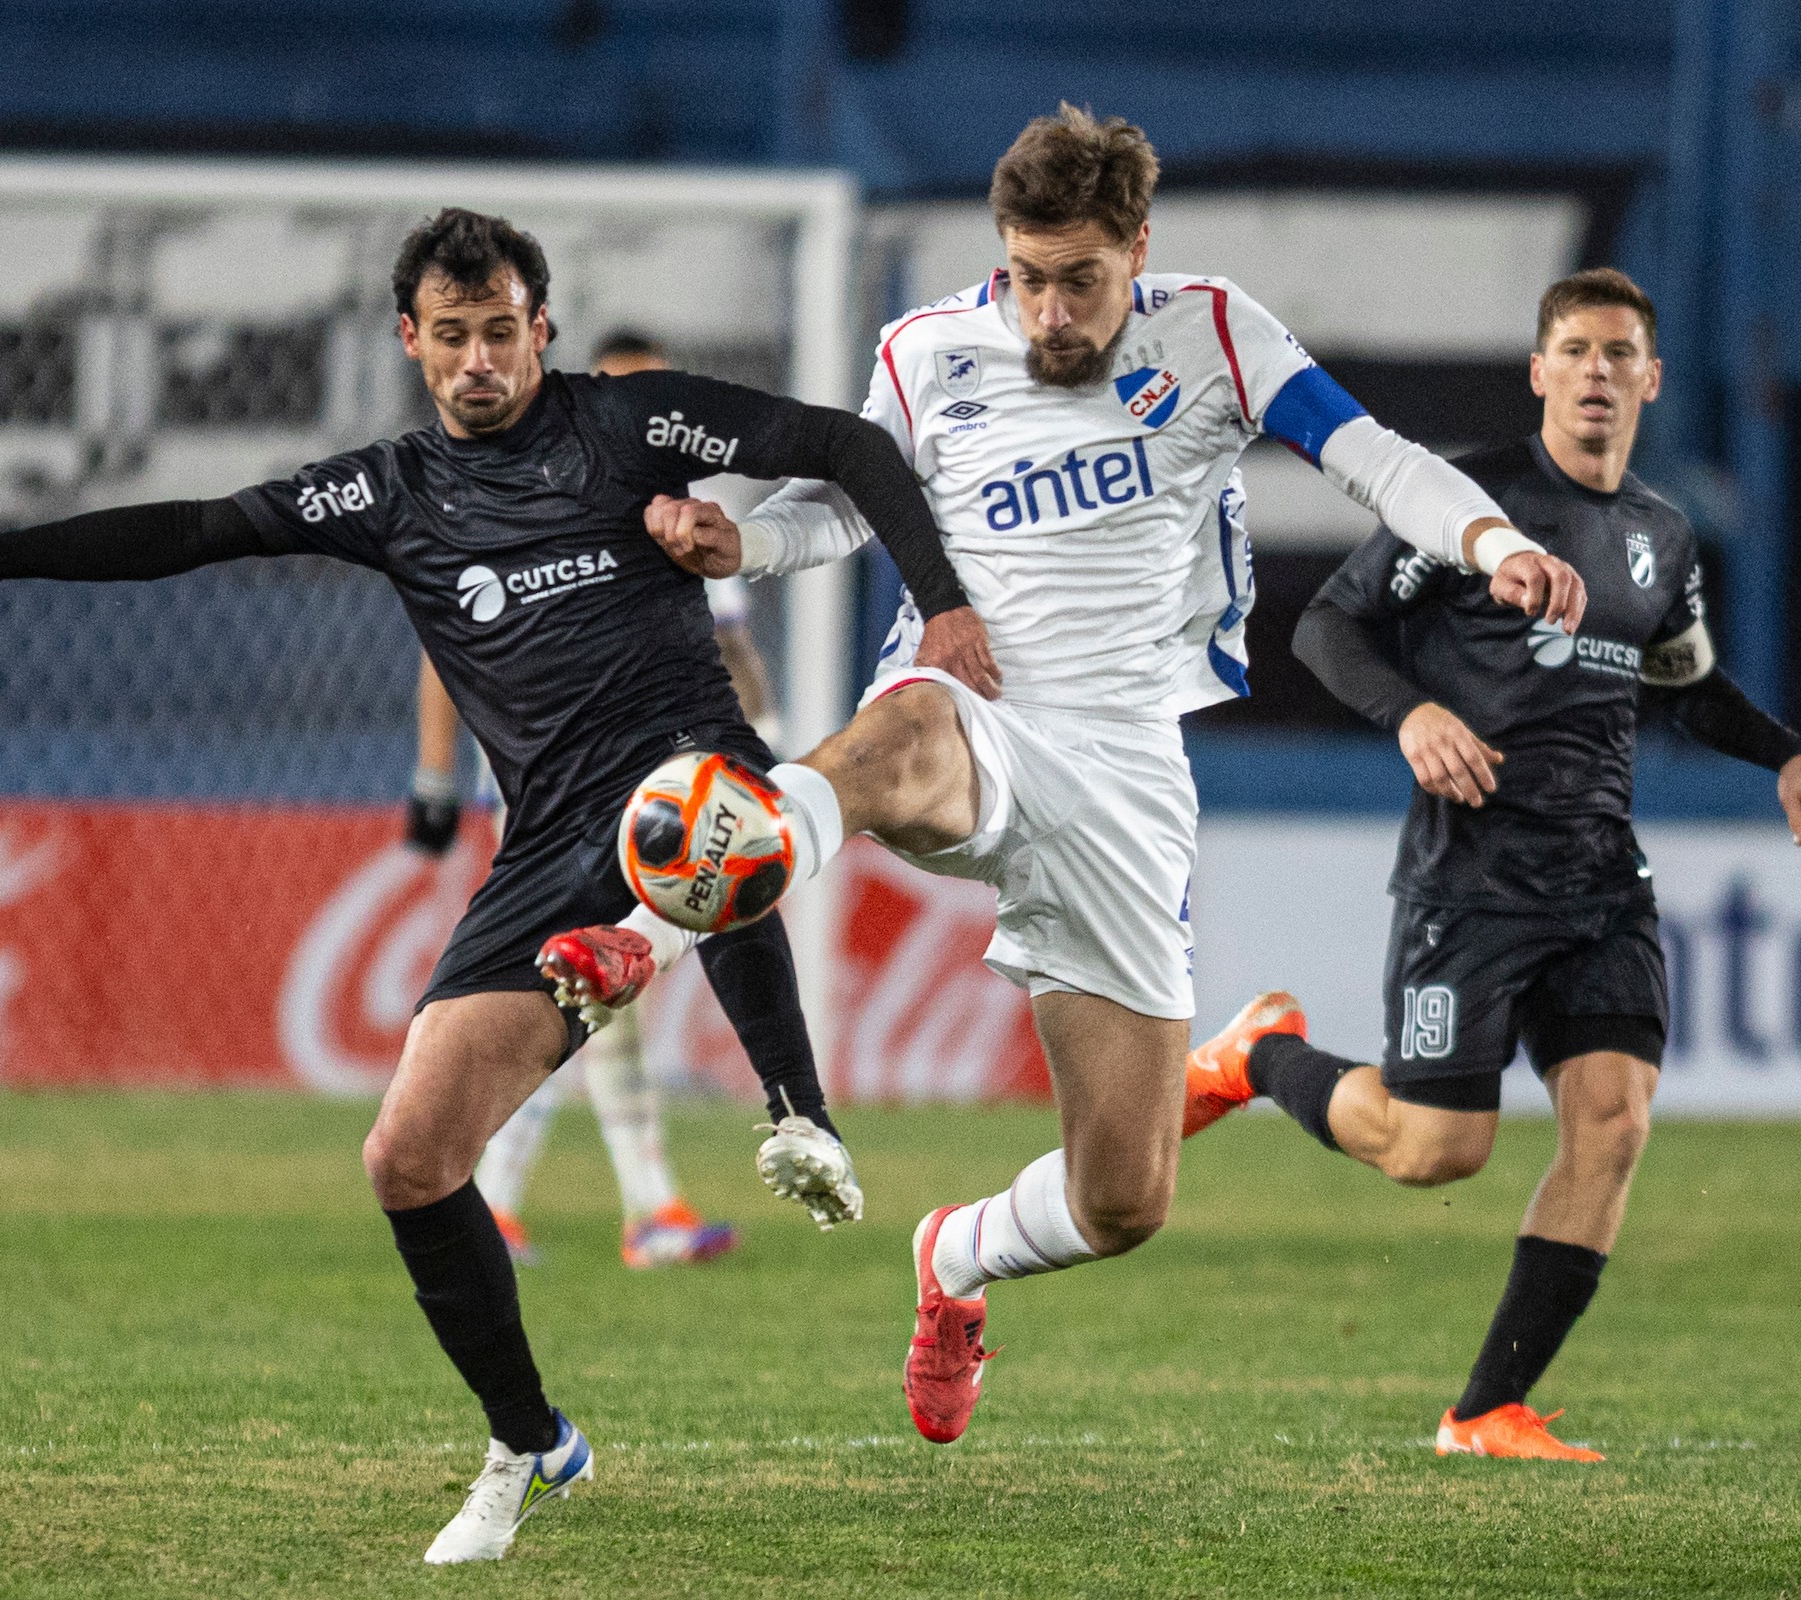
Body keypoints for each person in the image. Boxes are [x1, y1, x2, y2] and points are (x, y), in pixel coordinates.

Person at [0, 207, 985, 1563]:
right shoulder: (387, 492)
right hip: (545, 842)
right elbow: (200, 528)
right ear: (412, 340)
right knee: (407, 1158)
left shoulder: (629, 425)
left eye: (499, 331)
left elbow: (850, 447)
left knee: (701, 814)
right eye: (449, 336)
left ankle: (798, 1109)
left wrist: (946, 604)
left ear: (541, 329)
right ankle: (528, 1438)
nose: (476, 361)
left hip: (684, 769)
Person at [552, 105, 1588, 1447]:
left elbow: (1370, 455)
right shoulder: (928, 352)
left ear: (1138, 250)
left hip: (1127, 777)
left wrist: (1489, 537)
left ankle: (955, 1260)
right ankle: (659, 920)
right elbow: (848, 506)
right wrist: (734, 541)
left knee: (1124, 1201)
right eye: (1026, 274)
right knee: (895, 743)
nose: (1048, 310)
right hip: (974, 704)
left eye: (1080, 279)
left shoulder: (1213, 330)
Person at [1181, 267, 1801, 1460]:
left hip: (1601, 881)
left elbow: (1685, 681)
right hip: (1473, 879)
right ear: (1540, 372)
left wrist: (1788, 753)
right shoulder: (1469, 502)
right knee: (1436, 1150)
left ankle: (1485, 1408)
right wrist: (1408, 715)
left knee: (1613, 1122)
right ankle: (1258, 1055)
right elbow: (1326, 627)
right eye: (1576, 352)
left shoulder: (1659, 535)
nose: (1598, 372)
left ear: (1650, 379)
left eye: (1620, 355)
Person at [410, 330, 778, 1271]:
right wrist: (434, 774)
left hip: (657, 786)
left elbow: (743, 670)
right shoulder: (531, 498)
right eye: (628, 396)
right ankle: (595, 1206)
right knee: (581, 988)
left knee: (595, 988)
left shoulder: (684, 512)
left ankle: (569, 1203)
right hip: (555, 790)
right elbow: (450, 648)